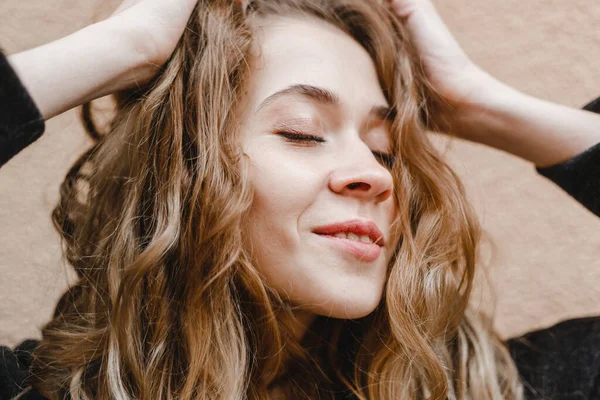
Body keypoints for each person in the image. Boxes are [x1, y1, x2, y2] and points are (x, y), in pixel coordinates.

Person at [0, 0, 598, 399]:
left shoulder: (492, 388)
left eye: (385, 148)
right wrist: (125, 46)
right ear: (178, 167)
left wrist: (480, 104)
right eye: (302, 132)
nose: (375, 176)